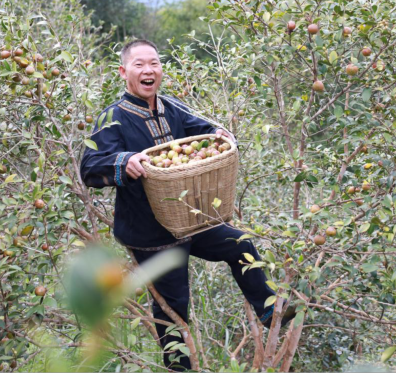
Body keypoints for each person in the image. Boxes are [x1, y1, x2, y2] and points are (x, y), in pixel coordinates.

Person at [80, 39, 294, 371]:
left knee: (239, 244)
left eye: (154, 63)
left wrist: (219, 132)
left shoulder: (172, 107)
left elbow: (204, 130)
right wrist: (125, 162)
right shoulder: (113, 118)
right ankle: (179, 367)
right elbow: (90, 169)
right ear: (123, 72)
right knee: (174, 308)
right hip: (150, 233)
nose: (148, 70)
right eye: (139, 65)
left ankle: (269, 310)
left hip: (192, 219)